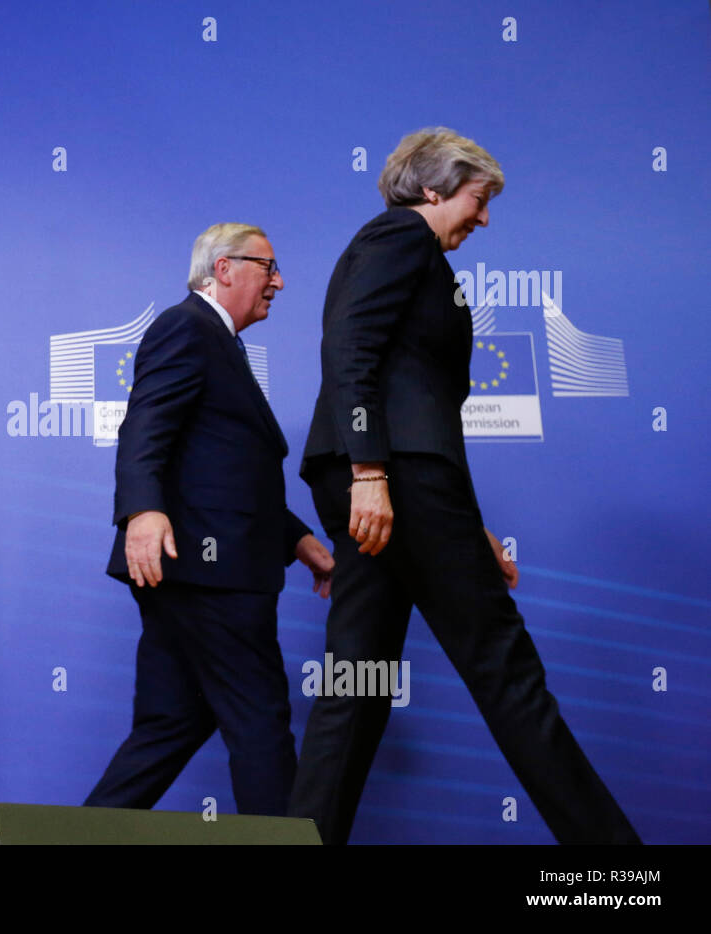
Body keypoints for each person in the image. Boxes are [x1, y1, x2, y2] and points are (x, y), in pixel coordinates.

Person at [290, 127, 640, 844]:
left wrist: (467, 521)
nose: (484, 219)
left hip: (398, 485)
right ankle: (618, 872)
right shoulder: (400, 238)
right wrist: (370, 472)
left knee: (357, 685)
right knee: (505, 671)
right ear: (433, 189)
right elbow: (349, 347)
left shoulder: (403, 251)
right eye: (479, 201)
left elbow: (424, 403)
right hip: (391, 480)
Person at [83, 223, 334, 816]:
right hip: (208, 574)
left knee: (169, 727)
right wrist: (143, 509)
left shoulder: (219, 341)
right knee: (260, 722)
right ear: (223, 269)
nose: (280, 281)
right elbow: (144, 426)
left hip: (193, 572)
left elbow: (224, 470)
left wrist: (300, 541)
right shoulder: (187, 326)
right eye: (266, 267)